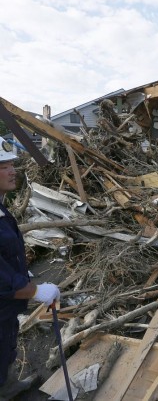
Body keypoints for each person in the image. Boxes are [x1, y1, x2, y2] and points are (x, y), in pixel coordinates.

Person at [0, 136, 60, 400]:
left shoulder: (1, 209)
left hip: (5, 310)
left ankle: (6, 386)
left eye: (12, 164)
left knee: (4, 347)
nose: (13, 170)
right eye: (3, 166)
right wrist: (34, 291)